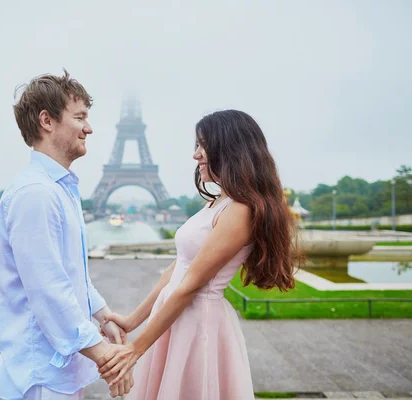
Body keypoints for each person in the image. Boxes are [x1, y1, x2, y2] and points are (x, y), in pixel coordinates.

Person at [97, 110, 302, 399]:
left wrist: (135, 349)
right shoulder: (220, 202)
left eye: (203, 145)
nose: (196, 155)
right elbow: (174, 271)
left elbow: (191, 284)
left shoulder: (240, 210)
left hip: (196, 324)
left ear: (228, 148)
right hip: (176, 319)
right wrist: (132, 321)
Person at [0, 70, 133, 400]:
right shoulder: (36, 194)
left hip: (54, 368)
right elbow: (48, 289)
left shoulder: (56, 189)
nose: (89, 127)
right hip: (43, 373)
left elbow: (68, 273)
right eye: (79, 117)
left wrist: (101, 314)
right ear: (47, 121)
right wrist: (105, 357)